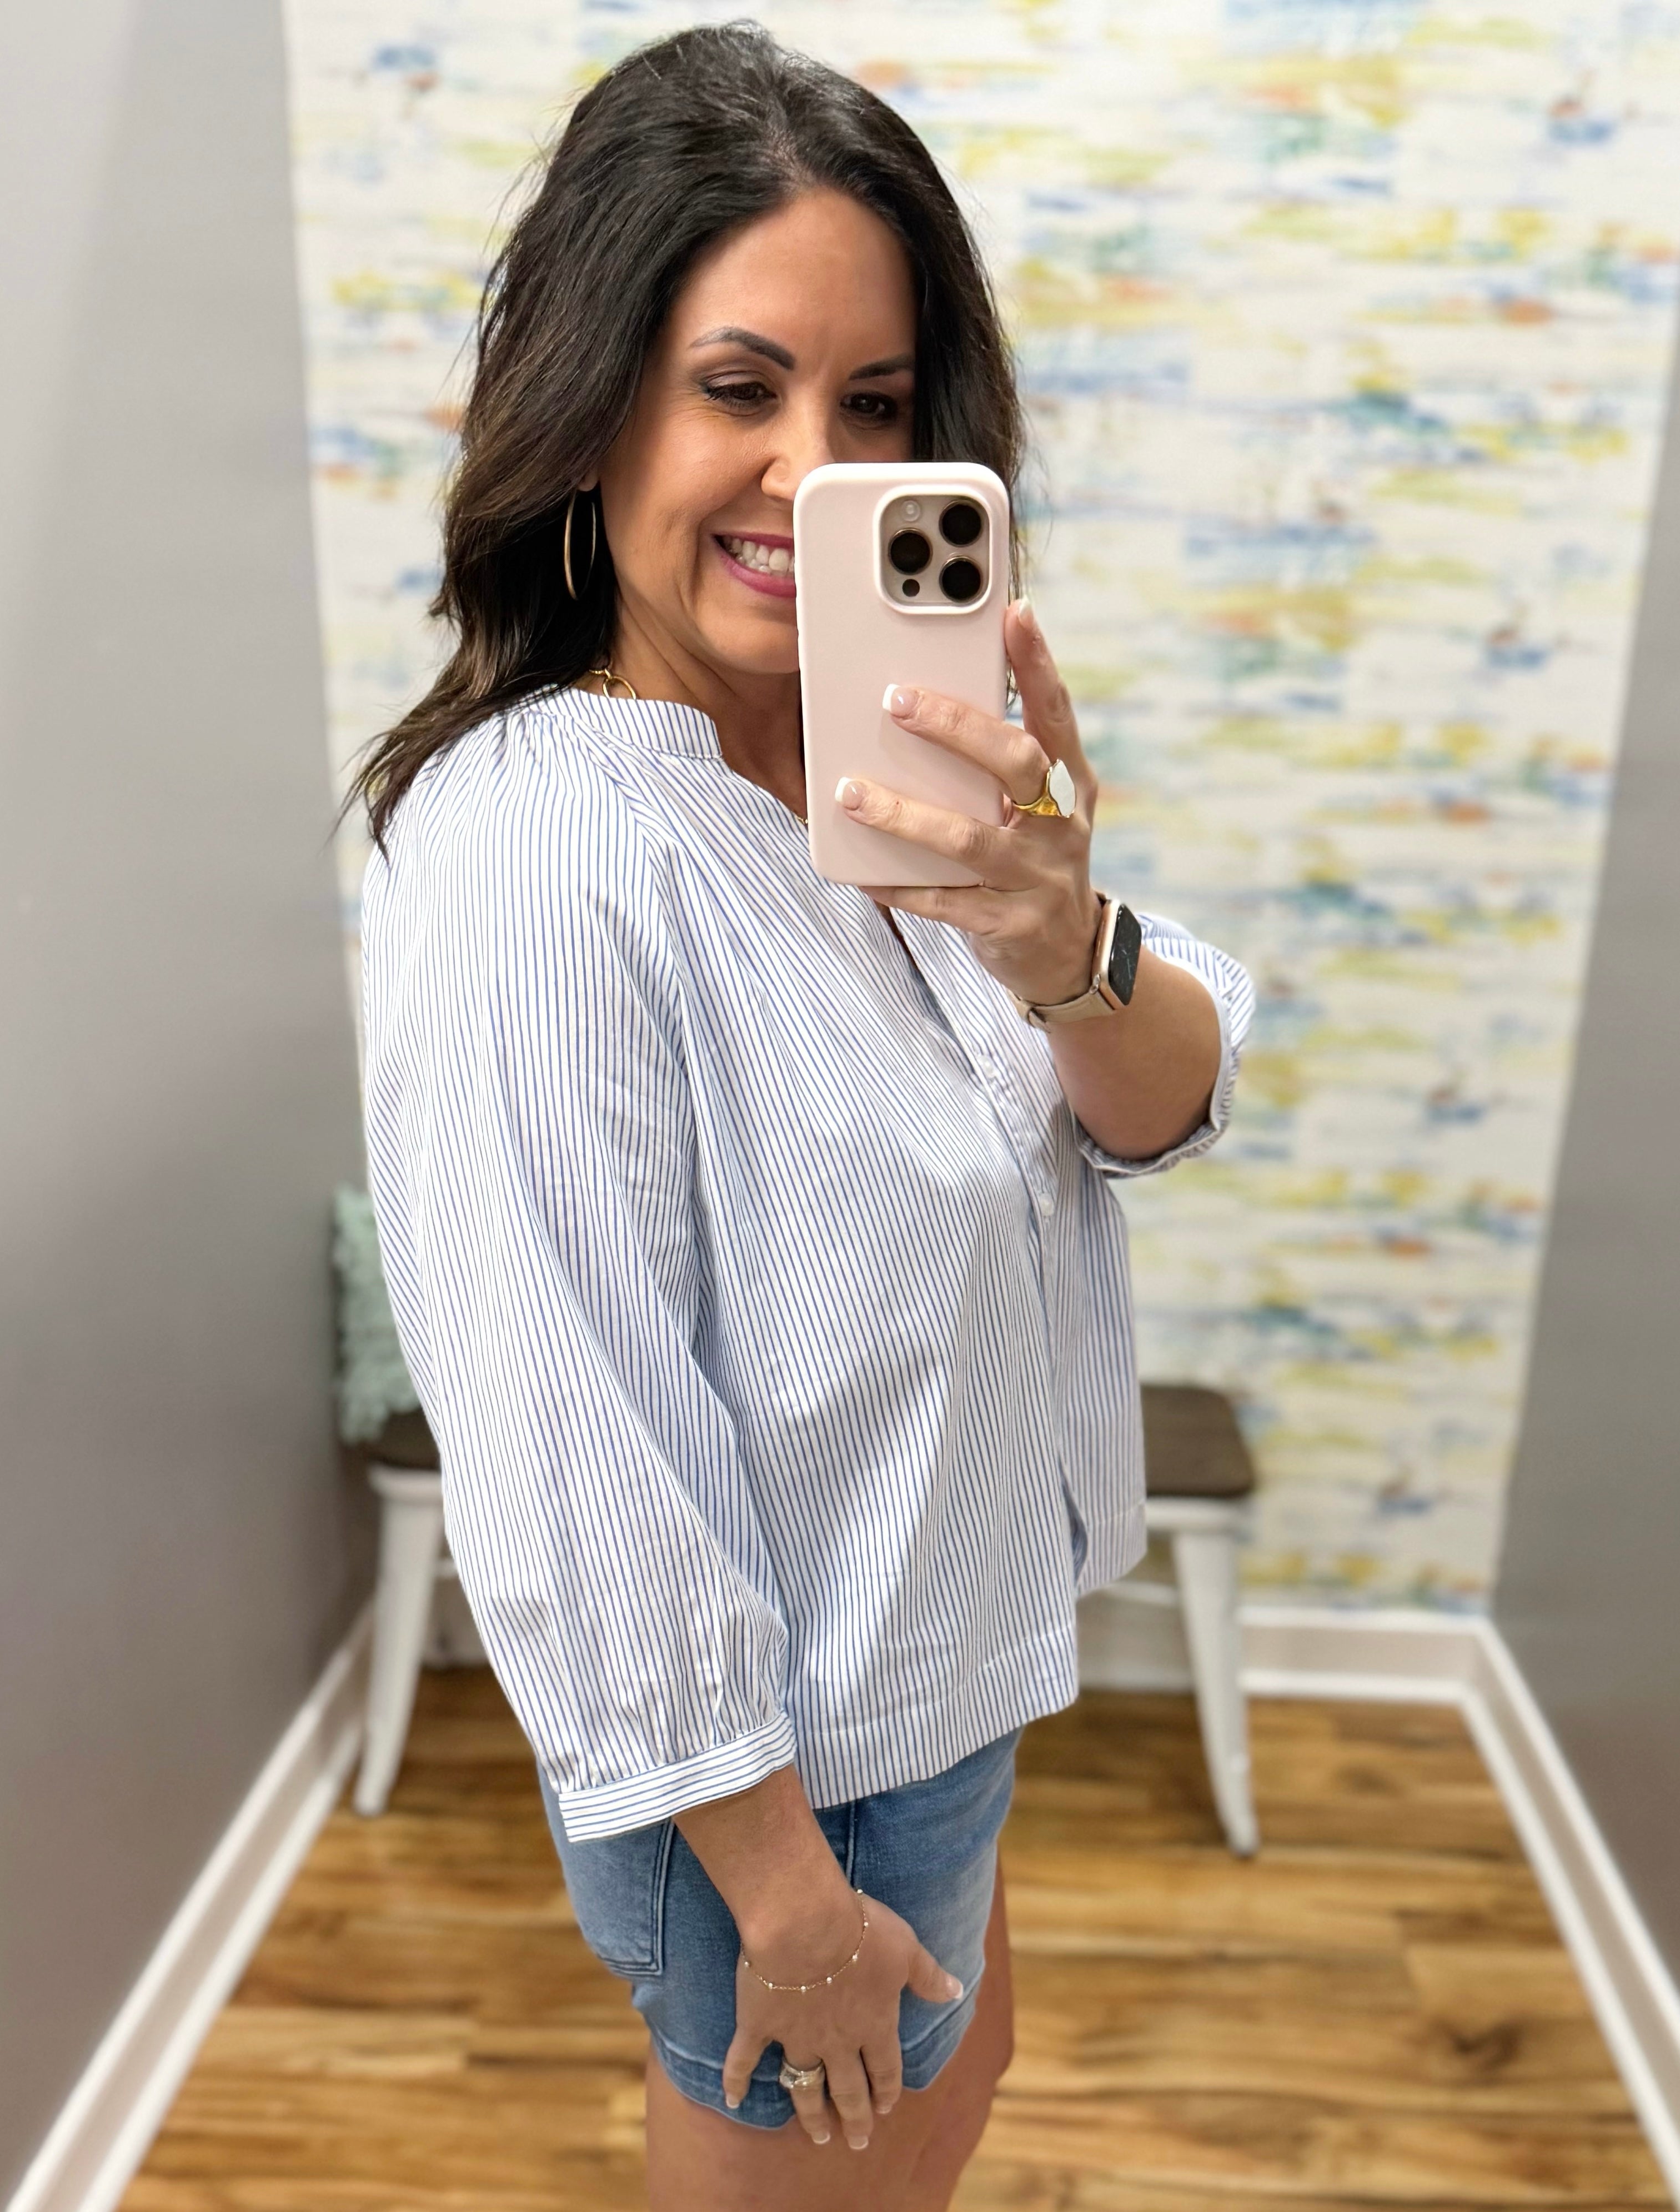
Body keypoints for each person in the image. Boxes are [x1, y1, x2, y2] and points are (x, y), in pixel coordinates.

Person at [354, 25, 1252, 2211]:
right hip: (790, 1773)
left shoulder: (896, 770)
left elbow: (1168, 1093)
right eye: (735, 387)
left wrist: (1055, 932)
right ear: (588, 401)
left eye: (870, 409)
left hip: (941, 1670)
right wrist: (776, 1890)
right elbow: (566, 1437)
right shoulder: (540, 850)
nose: (805, 474)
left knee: (962, 2104)